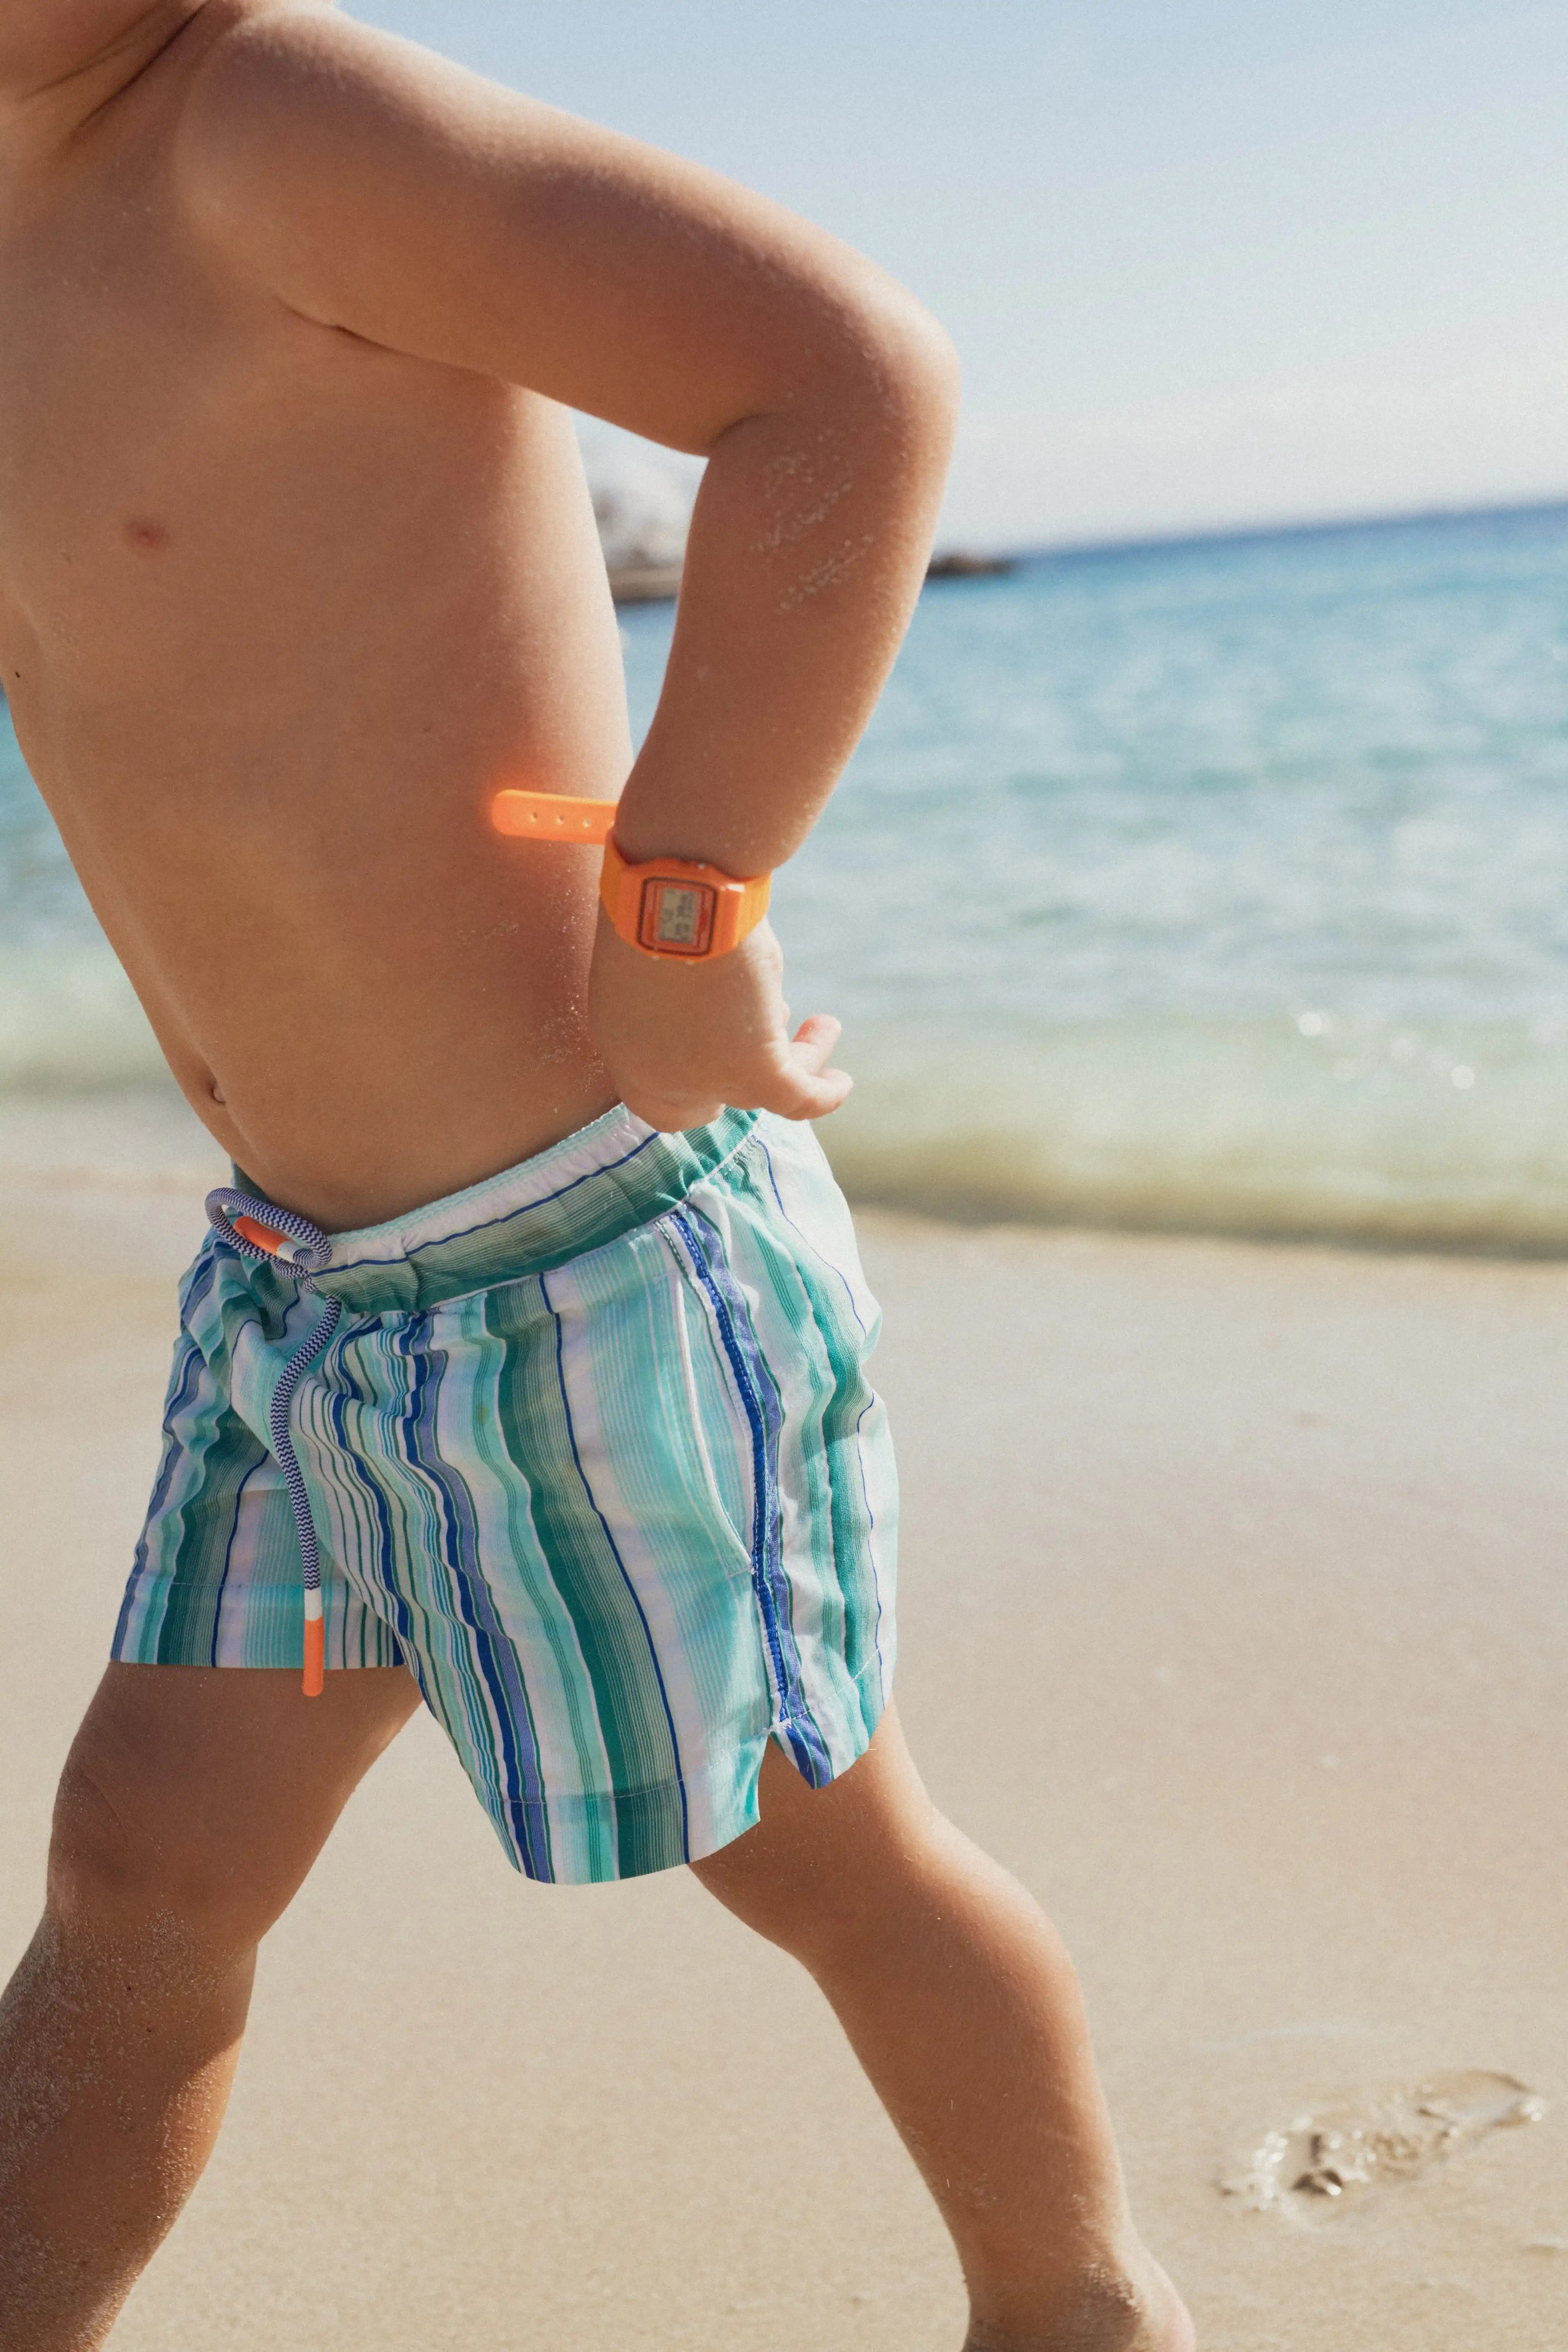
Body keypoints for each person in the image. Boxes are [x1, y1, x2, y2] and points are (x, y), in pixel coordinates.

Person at [0, 6, 1194, 2347]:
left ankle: (1078, 2313)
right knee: (140, 1866)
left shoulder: (266, 122)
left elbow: (844, 377)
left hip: (587, 1253)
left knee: (813, 1842)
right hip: (294, 1294)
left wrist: (686, 906)